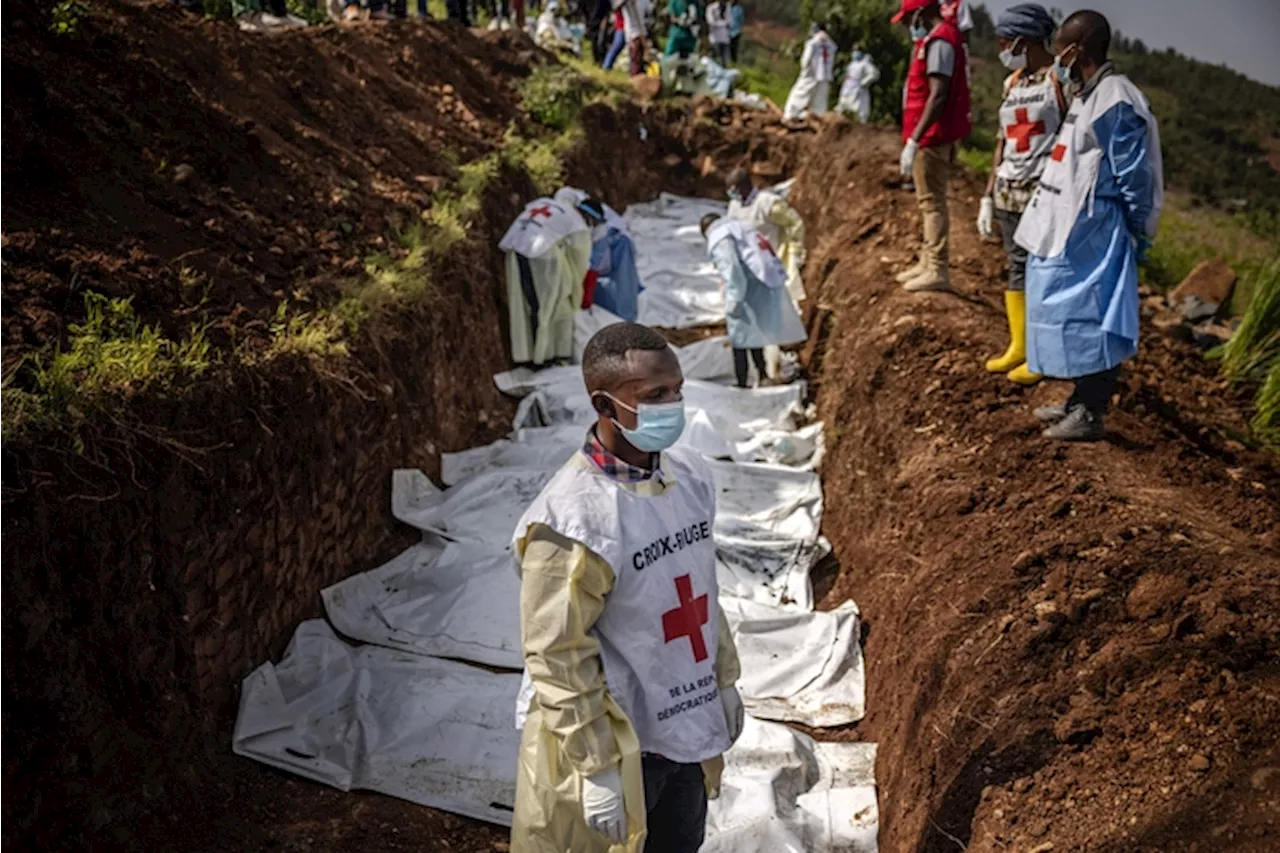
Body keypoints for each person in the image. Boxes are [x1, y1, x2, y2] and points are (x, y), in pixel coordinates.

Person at [510, 321, 745, 853]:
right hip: (620, 740)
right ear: (605, 403)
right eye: (654, 395)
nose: (673, 404)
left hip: (683, 724)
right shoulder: (572, 521)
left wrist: (723, 679)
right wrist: (595, 768)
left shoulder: (688, 477)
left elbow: (699, 590)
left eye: (677, 390)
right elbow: (556, 651)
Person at [1014, 10, 1163, 441]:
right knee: (1066, 313)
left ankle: (1091, 412)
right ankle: (1076, 399)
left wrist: (1137, 227)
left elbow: (1133, 171)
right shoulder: (1088, 93)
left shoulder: (1116, 98)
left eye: (1061, 47)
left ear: (1077, 50)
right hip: (1070, 227)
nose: (1056, 56)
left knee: (1095, 318)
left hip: (1097, 230)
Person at [977, 3, 1063, 386]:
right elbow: (1003, 140)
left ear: (1025, 40)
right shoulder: (1012, 83)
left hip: (1043, 193)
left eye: (1004, 42)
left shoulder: (1060, 79)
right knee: (1016, 265)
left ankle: (1044, 353)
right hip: (1009, 191)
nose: (1001, 50)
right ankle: (1020, 346)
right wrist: (988, 192)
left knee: (1042, 270)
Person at [892, 0, 971, 293]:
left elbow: (938, 95)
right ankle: (927, 262)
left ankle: (937, 268)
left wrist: (915, 139)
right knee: (929, 201)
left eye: (909, 18)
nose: (908, 25)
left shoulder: (940, 41)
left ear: (921, 13)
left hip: (932, 138)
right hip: (932, 135)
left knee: (932, 203)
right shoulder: (938, 39)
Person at [701, 214, 807, 388]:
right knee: (755, 332)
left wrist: (734, 299)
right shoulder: (738, 226)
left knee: (740, 335)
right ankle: (763, 374)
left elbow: (732, 269)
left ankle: (743, 382)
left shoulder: (719, 235)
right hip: (764, 280)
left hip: (747, 285)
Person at [499, 197, 593, 366]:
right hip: (543, 259)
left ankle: (530, 354)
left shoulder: (547, 203)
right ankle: (543, 356)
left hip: (515, 248)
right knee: (547, 307)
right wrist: (576, 288)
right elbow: (580, 258)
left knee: (526, 304)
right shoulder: (578, 223)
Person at [555, 188, 646, 323]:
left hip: (619, 244)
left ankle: (625, 321)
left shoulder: (600, 229)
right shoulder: (566, 202)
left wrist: (586, 300)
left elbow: (592, 265)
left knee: (623, 288)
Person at [725, 167, 807, 305]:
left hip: (773, 262)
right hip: (750, 265)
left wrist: (795, 252)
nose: (732, 194)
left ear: (745, 186)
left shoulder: (767, 203)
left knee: (782, 304)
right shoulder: (734, 207)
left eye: (734, 190)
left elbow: (794, 223)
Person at [782, 22, 836, 122]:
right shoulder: (831, 44)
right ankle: (818, 119)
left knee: (799, 94)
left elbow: (806, 60)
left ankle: (790, 116)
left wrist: (804, 70)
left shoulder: (813, 43)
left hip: (811, 74)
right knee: (820, 101)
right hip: (825, 76)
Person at [837, 43, 880, 123]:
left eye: (857, 50)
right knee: (842, 109)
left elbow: (874, 74)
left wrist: (864, 82)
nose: (855, 52)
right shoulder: (851, 64)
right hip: (848, 89)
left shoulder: (865, 63)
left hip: (859, 91)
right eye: (854, 50)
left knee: (861, 113)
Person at [621, 0, 653, 76]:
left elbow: (649, 12)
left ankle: (639, 78)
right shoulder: (627, 3)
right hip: (632, 33)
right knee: (635, 59)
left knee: (640, 59)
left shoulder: (645, 2)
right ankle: (633, 77)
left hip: (642, 32)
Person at [706, 0, 732, 68]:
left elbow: (729, 21)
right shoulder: (711, 8)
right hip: (715, 38)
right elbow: (711, 22)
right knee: (715, 60)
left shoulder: (727, 8)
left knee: (725, 62)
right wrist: (724, 23)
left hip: (725, 38)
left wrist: (722, 23)